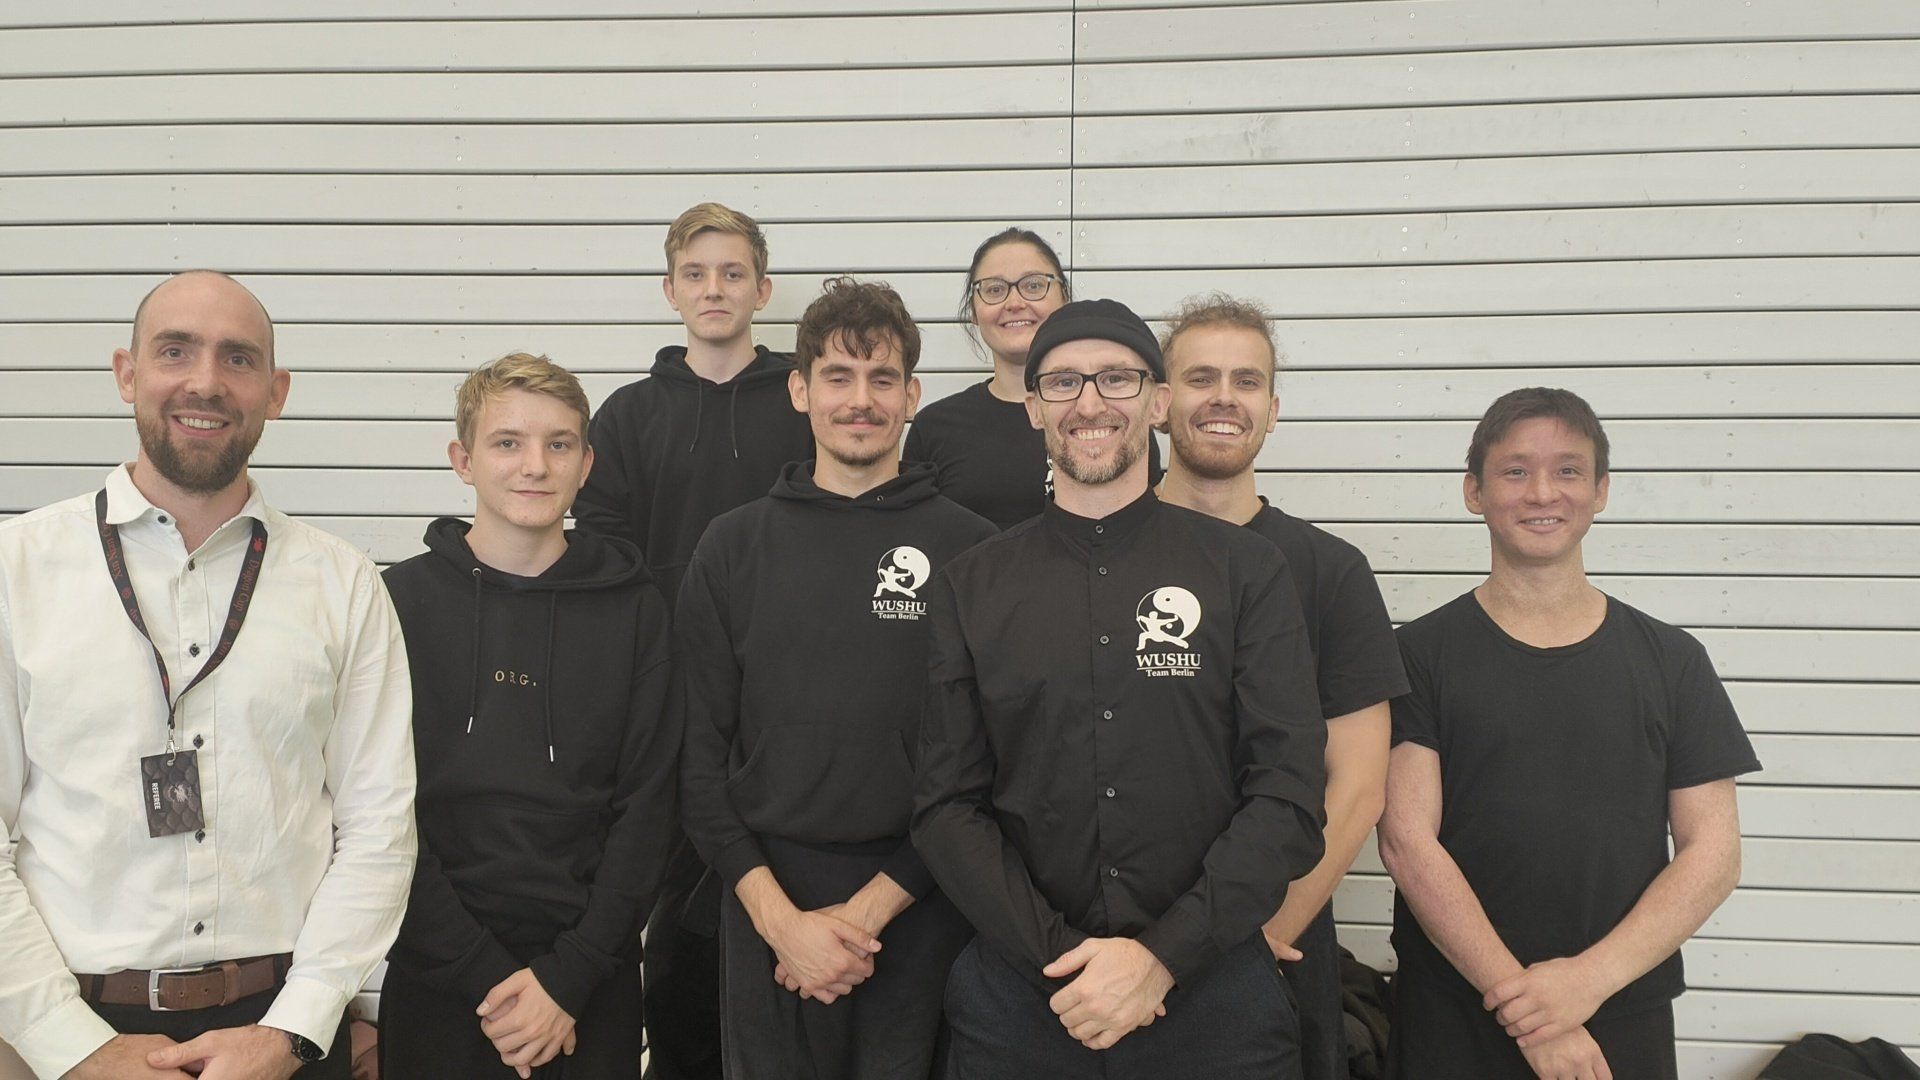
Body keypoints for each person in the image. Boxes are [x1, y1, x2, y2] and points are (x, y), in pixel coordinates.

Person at [0, 270, 416, 1080]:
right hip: (62, 1037)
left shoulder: (344, 584)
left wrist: (293, 1029)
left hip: (282, 1037)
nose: (205, 381)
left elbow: (378, 828)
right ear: (127, 374)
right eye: (175, 351)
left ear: (276, 392)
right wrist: (71, 1045)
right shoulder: (17, 572)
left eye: (238, 358)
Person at [912, 298, 1328, 1079]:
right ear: (1034, 408)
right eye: (1063, 382)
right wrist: (1067, 960)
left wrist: (1162, 958)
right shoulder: (973, 585)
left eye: (1117, 378)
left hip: (1214, 1002)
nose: (1090, 402)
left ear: (1158, 401)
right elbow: (946, 806)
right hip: (1023, 1001)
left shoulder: (1246, 572)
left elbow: (1290, 795)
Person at [1377, 388, 1760, 1080]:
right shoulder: (1417, 657)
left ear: (1601, 490)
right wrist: (1528, 1009)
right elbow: (1407, 842)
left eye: (1568, 470)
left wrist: (1587, 981)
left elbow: (1714, 854)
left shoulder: (1673, 661)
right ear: (1474, 491)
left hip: (1620, 1007)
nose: (1542, 493)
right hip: (1454, 1011)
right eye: (1515, 471)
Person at [678, 278, 996, 1079]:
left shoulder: (974, 553)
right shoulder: (731, 547)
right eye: (838, 376)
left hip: (925, 897)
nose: (861, 401)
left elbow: (984, 760)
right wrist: (782, 924)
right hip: (764, 897)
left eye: (882, 378)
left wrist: (869, 912)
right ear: (800, 389)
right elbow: (697, 758)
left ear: (912, 396)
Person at [379, 354, 681, 1078]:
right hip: (437, 976)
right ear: (463, 460)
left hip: (588, 982)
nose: (535, 466)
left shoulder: (637, 610)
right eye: (507, 442)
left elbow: (650, 808)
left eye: (559, 444)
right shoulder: (397, 604)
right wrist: (481, 975)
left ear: (587, 464)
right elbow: (373, 811)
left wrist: (569, 977)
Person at [570, 202, 812, 1080]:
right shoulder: (628, 415)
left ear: (763, 289)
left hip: (786, 701)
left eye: (733, 273)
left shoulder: (801, 404)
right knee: (677, 920)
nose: (715, 289)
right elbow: (601, 552)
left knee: (786, 901)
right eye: (697, 274)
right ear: (670, 291)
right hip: (671, 703)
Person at [1152, 294, 1407, 1080]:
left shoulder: (1331, 572)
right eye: (1201, 378)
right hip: (1118, 947)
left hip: (1274, 949)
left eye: (1247, 381)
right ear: (1160, 401)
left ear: (1272, 409)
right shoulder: (1093, 556)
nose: (1224, 397)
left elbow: (1358, 786)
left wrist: (1262, 939)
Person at [904, 228, 1158, 530]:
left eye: (1034, 285)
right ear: (973, 309)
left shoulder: (1116, 420)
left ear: (1064, 298)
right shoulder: (934, 427)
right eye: (994, 289)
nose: (1014, 302)